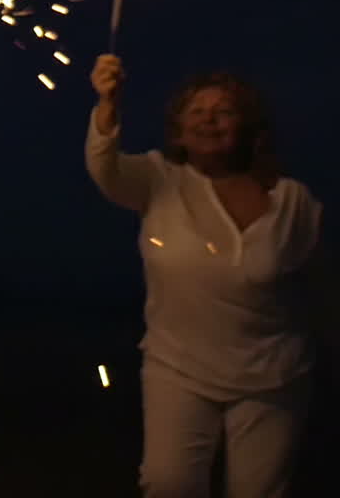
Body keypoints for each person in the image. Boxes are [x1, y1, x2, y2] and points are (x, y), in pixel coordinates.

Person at [86, 54, 337, 498]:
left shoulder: (293, 202)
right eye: (197, 112)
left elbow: (322, 285)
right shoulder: (157, 180)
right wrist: (108, 103)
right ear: (179, 130)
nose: (209, 120)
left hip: (272, 375)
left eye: (223, 112)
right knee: (169, 484)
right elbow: (104, 168)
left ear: (248, 127)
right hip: (178, 368)